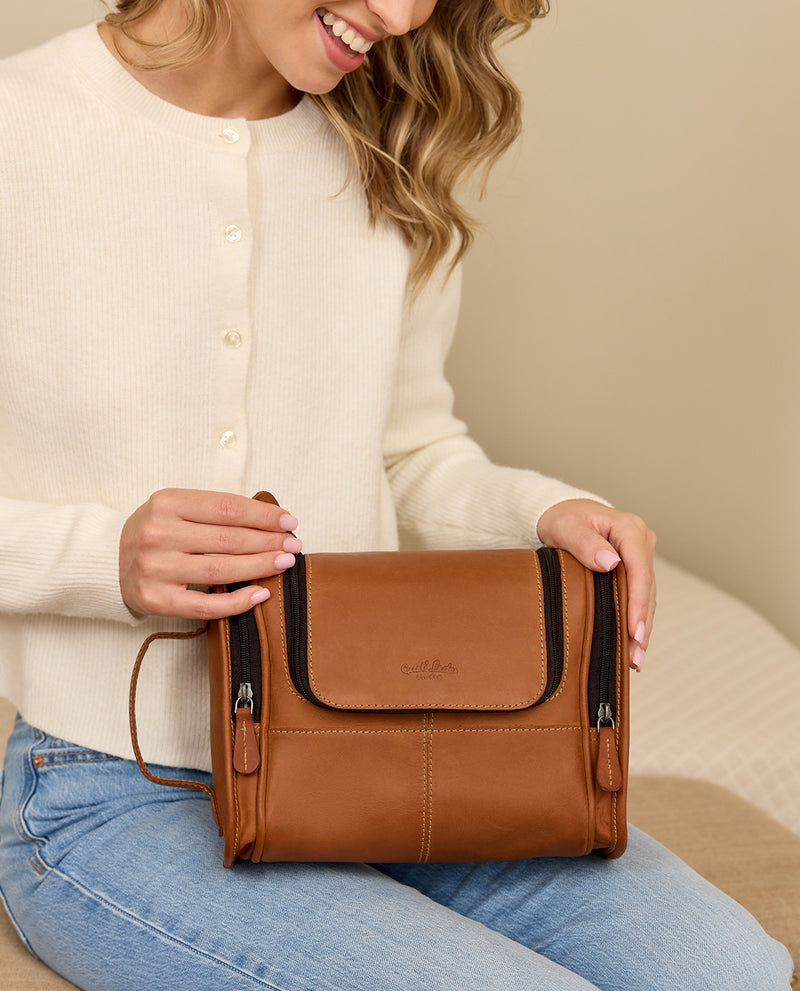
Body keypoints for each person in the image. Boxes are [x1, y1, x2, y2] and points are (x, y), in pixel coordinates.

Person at [0, 1, 792, 988]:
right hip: (115, 793)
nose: (398, 12)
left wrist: (543, 514)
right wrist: (101, 558)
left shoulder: (388, 152)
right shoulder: (19, 127)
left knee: (730, 972)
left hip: (393, 756)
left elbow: (408, 452)